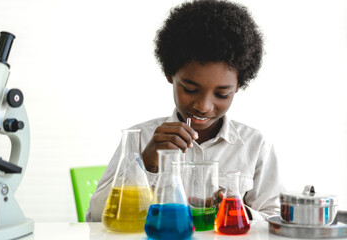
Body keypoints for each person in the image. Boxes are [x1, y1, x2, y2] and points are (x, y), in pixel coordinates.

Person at [86, 0, 283, 222]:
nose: (203, 106)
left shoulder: (255, 146)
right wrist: (147, 164)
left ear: (239, 85)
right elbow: (95, 217)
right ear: (170, 74)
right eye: (190, 89)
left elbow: (274, 218)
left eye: (222, 94)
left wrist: (238, 211)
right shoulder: (140, 139)